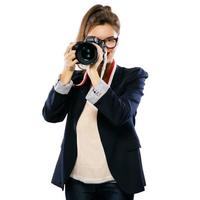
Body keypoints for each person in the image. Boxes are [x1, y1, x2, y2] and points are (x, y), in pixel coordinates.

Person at [42, 4, 148, 200]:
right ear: (84, 42)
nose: (104, 47)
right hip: (77, 179)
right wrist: (67, 71)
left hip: (116, 179)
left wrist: (94, 73)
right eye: (96, 41)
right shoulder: (75, 80)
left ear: (118, 40)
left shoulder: (133, 77)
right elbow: (51, 115)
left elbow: (121, 115)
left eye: (110, 40)